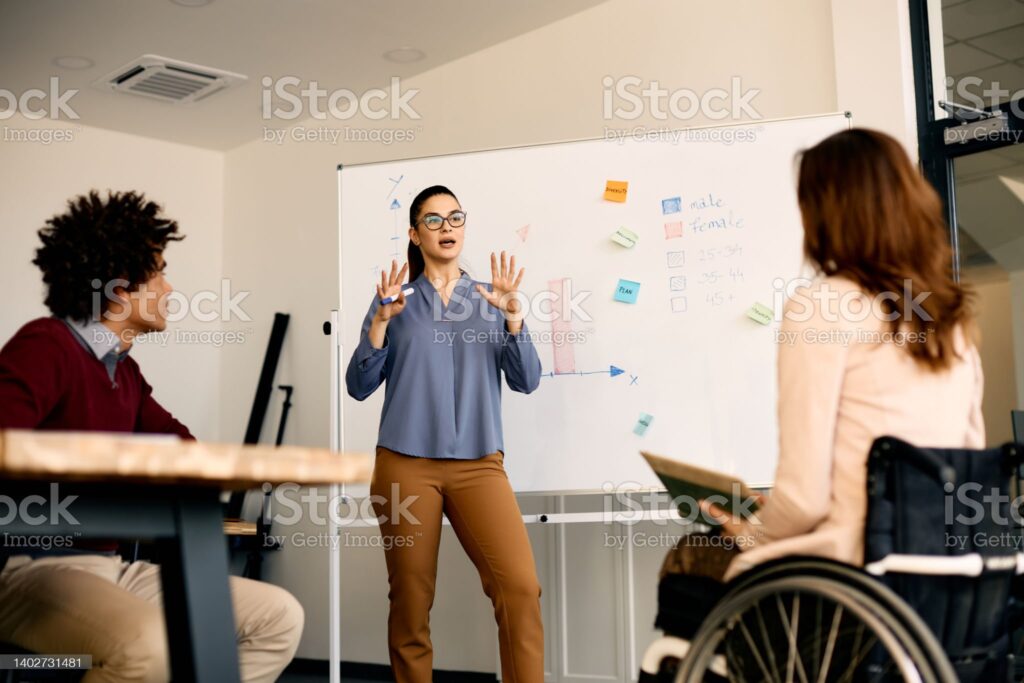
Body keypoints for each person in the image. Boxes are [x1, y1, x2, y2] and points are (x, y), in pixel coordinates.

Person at [666, 128, 985, 619]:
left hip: (856, 575)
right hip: (944, 573)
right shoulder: (951, 318)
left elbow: (806, 502)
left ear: (825, 213)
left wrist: (750, 530)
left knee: (690, 557)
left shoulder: (821, 306)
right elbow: (968, 459)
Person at [0, 190, 304, 683]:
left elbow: (183, 451)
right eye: (159, 272)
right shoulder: (46, 345)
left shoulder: (125, 372)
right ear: (121, 289)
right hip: (31, 568)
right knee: (149, 645)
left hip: (110, 568)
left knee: (278, 616)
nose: (169, 287)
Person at [345, 185, 544, 683]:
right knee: (411, 601)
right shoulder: (396, 301)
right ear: (415, 235)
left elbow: (526, 380)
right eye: (433, 220)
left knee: (520, 588)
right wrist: (379, 324)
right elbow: (358, 386)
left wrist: (514, 317)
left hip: (480, 465)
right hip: (405, 464)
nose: (446, 227)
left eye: (455, 217)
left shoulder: (491, 298)